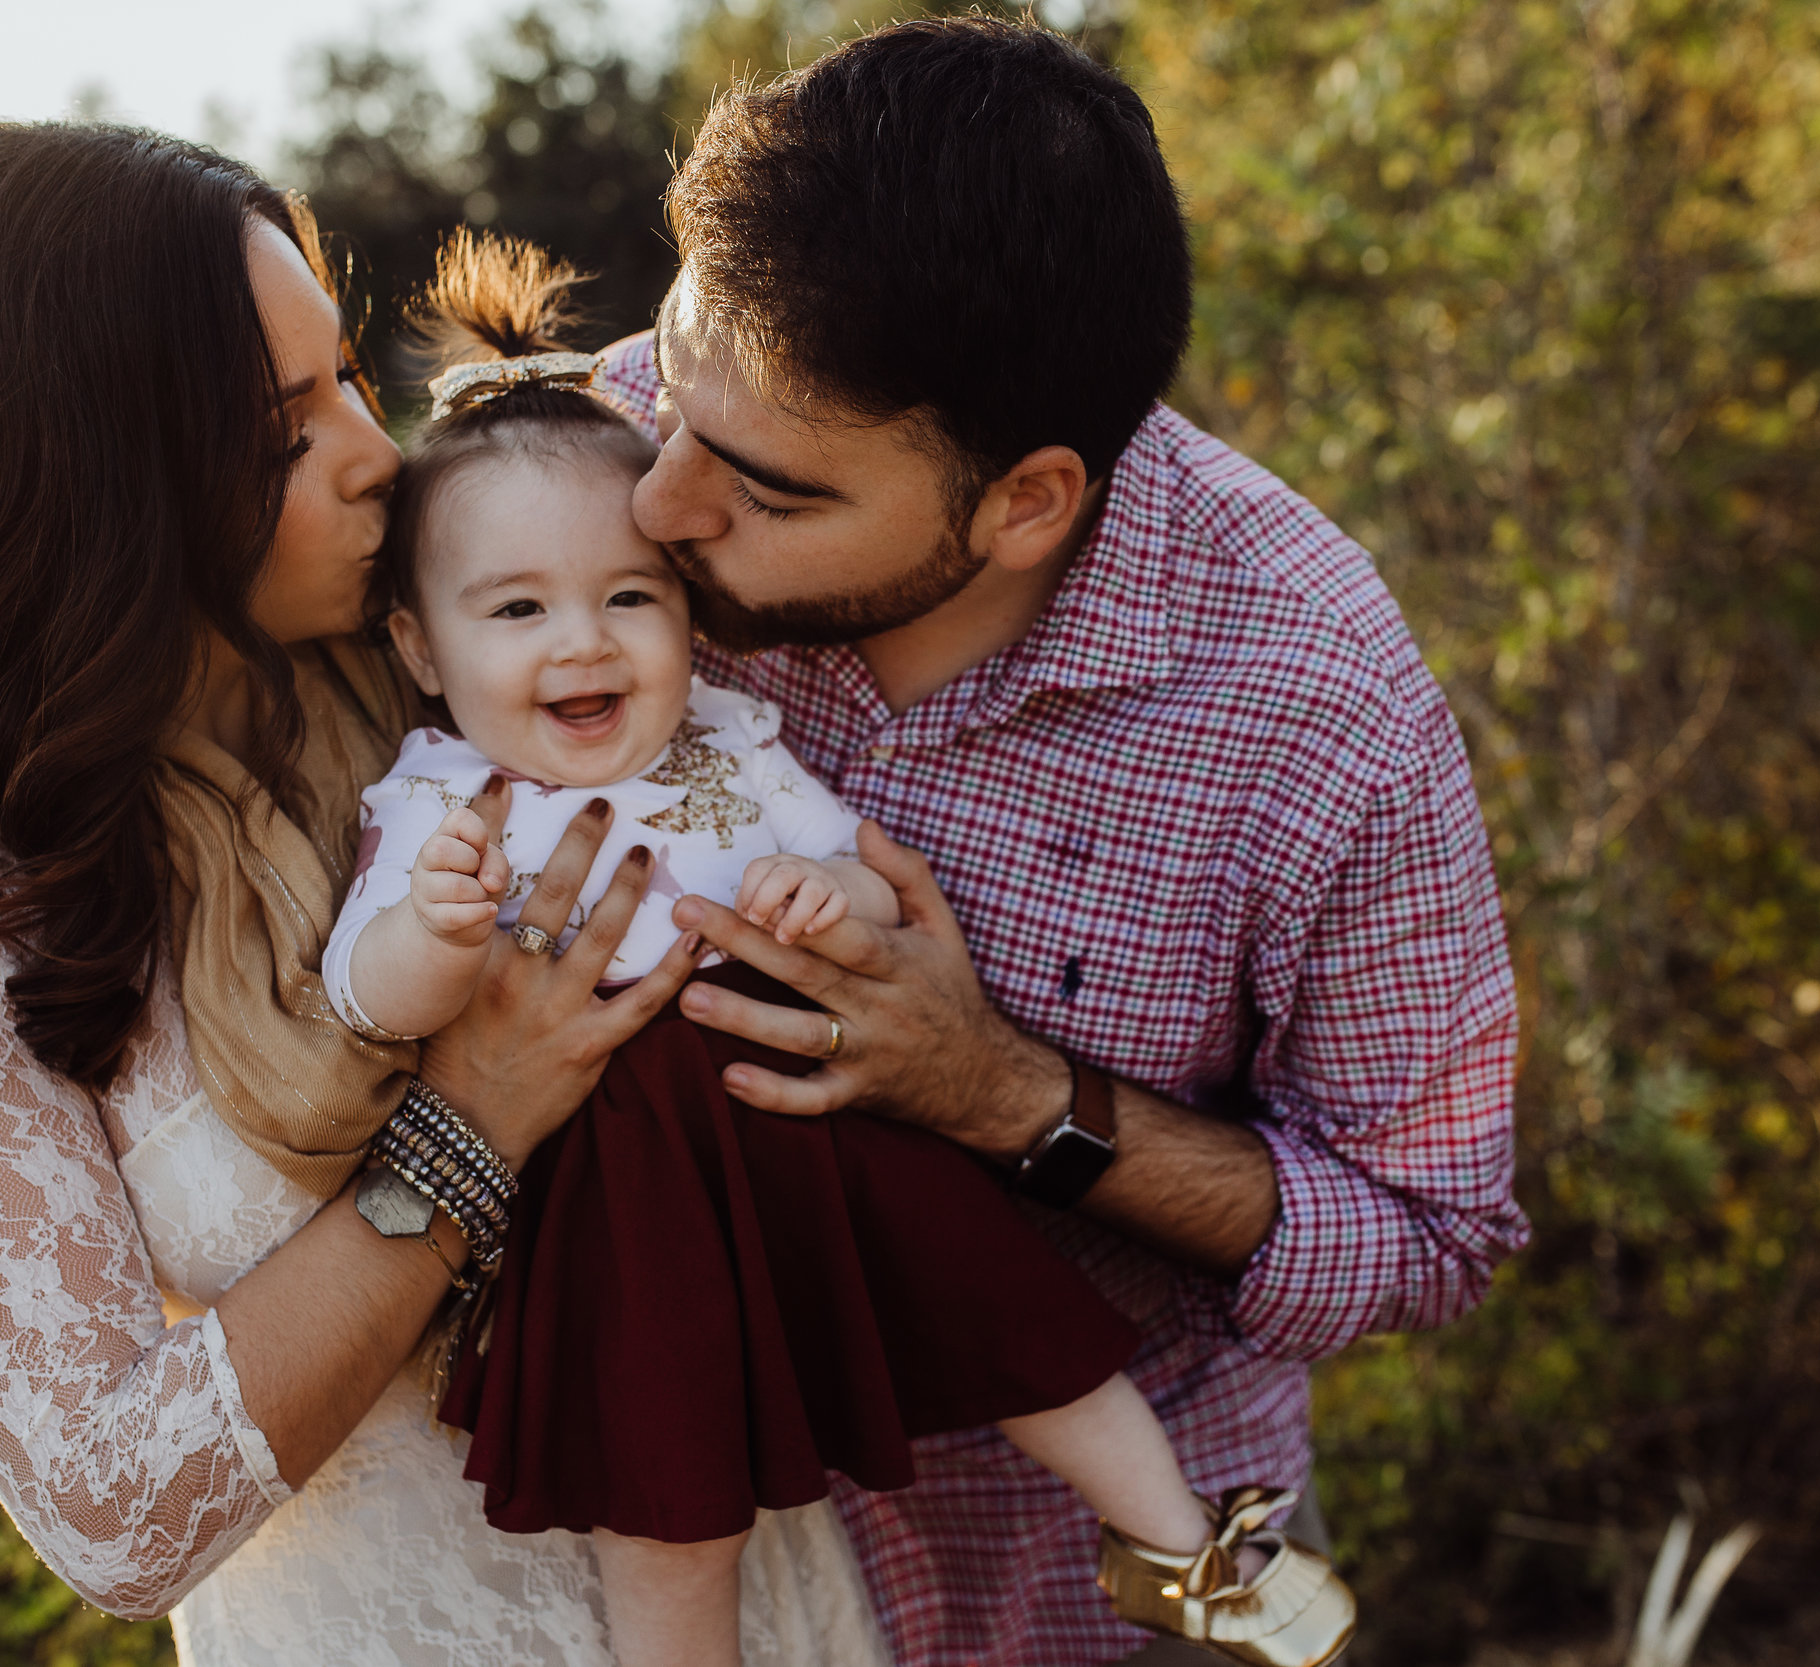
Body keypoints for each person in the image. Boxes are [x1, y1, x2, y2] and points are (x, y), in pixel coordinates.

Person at [0, 122, 888, 1667]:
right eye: (284, 432)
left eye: (348, 377)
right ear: (89, 482)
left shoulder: (470, 657)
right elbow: (115, 1513)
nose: (374, 453)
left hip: (768, 1608)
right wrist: (473, 1116)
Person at [587, 16, 1529, 1665]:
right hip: (688, 1546)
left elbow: (1431, 1233)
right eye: (668, 387)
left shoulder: (1318, 709)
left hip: (1097, 1585)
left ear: (1026, 502)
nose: (658, 507)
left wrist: (1013, 1097)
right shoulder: (609, 457)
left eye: (772, 494)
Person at [309, 233, 1355, 1667]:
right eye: (515, 611)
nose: (586, 645)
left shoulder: (727, 745)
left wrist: (825, 906)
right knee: (669, 1494)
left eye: (632, 597)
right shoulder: (439, 801)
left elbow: (865, 887)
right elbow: (365, 991)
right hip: (621, 1185)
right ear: (421, 651)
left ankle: (1186, 1544)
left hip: (803, 1098)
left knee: (1004, 1309)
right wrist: (435, 930)